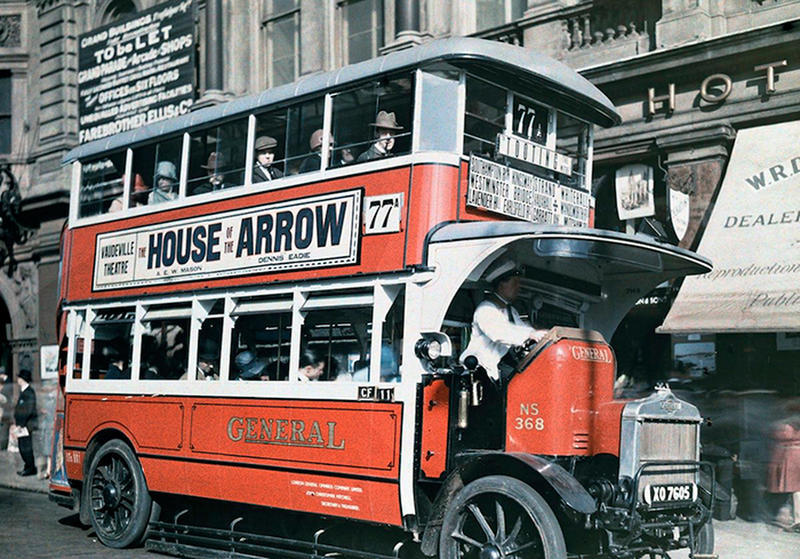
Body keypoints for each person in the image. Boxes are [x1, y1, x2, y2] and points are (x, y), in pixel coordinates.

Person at [460, 260, 547, 381]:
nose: (518, 287)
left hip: (503, 375)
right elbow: (500, 333)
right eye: (515, 283)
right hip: (483, 376)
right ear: (501, 284)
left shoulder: (512, 311)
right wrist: (530, 335)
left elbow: (524, 329)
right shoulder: (486, 309)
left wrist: (543, 336)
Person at [766, 401, 800, 530]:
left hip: (789, 456)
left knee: (790, 488)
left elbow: (776, 435)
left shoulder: (784, 425)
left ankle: (790, 518)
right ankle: (796, 517)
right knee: (797, 489)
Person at [13, 367, 37, 476]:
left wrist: (21, 425)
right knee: (22, 447)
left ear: (22, 379)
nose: (17, 380)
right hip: (21, 425)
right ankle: (28, 466)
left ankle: (30, 468)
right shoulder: (24, 391)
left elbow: (28, 410)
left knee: (25, 447)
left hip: (26, 425)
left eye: (19, 378)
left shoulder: (29, 392)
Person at [0, 367, 13, 450]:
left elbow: (8, 400)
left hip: (5, 412)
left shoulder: (8, 384)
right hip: (2, 412)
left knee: (4, 432)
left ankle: (3, 448)